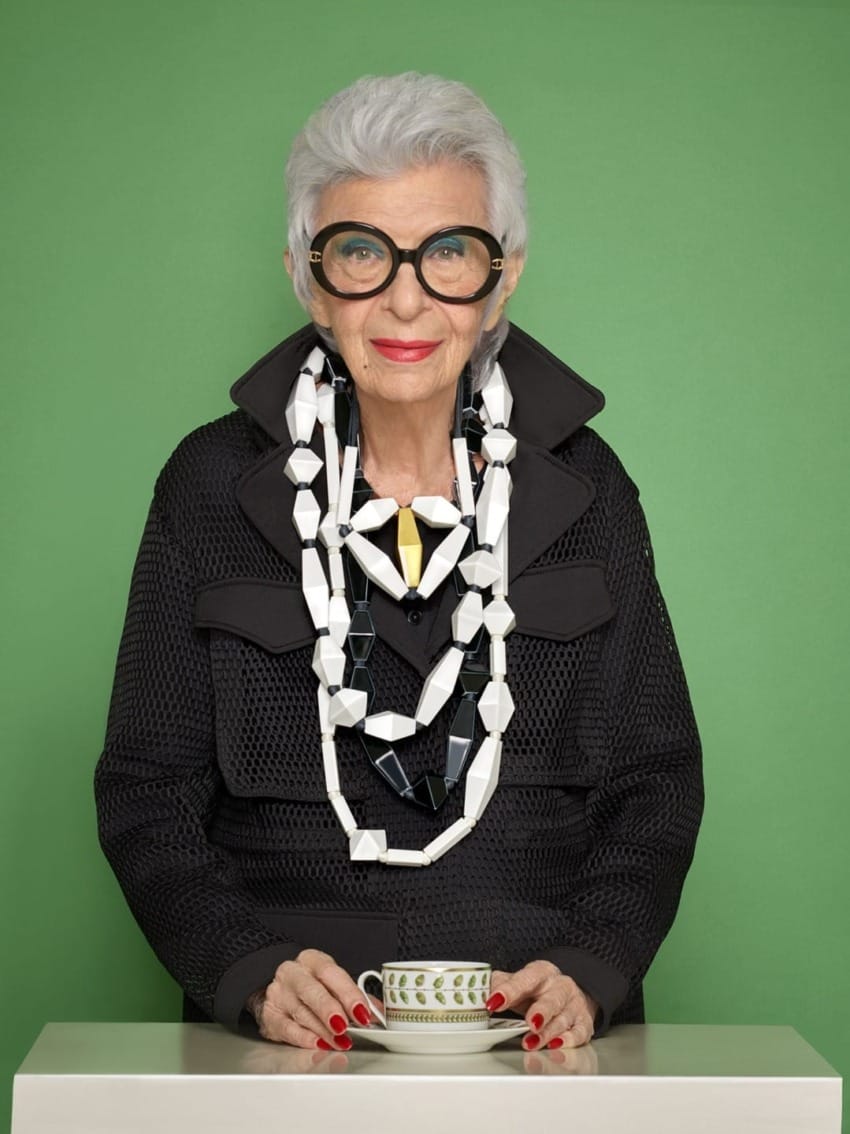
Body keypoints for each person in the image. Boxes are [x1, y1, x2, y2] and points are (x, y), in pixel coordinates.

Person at [95, 72, 703, 1055]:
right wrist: (241, 968)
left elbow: (655, 777)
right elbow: (146, 786)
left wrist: (593, 963)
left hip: (542, 1055)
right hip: (281, 1059)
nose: (406, 300)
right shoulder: (207, 484)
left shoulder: (590, 486)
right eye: (362, 254)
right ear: (306, 275)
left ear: (501, 276)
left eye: (449, 253)